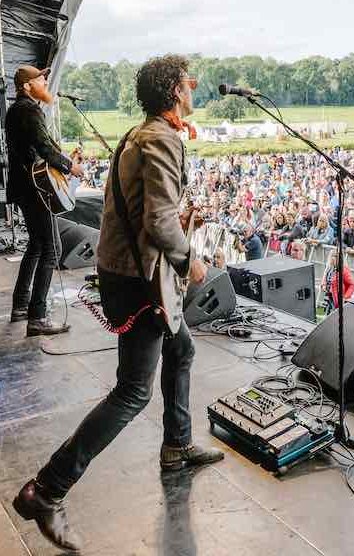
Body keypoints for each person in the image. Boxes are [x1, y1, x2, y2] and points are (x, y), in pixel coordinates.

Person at [12, 55, 224, 553]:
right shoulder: (162, 140)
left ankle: (176, 445)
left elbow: (147, 210)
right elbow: (158, 225)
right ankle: (46, 490)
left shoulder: (139, 134)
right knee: (131, 392)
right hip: (141, 283)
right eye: (189, 83)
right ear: (175, 89)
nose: (193, 89)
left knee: (183, 350)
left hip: (128, 274)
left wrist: (176, 218)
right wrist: (191, 259)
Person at [5, 65, 84, 335]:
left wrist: (63, 158)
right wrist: (68, 165)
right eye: (40, 79)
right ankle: (37, 317)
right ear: (27, 85)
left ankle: (21, 306)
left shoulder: (19, 110)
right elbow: (43, 147)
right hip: (34, 189)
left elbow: (39, 146)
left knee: (37, 246)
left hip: (25, 187)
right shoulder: (28, 109)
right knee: (53, 249)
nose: (45, 81)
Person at [321, 250, 354, 314]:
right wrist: (323, 285)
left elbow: (352, 285)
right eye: (332, 256)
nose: (332, 258)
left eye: (335, 256)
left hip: (339, 301)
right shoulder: (330, 268)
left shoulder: (344, 270)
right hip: (330, 298)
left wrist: (345, 297)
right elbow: (325, 278)